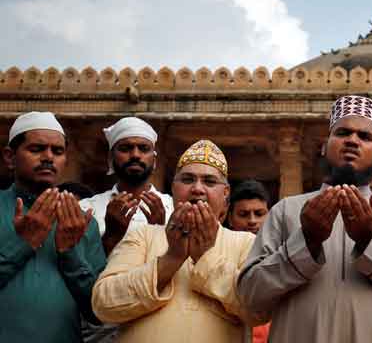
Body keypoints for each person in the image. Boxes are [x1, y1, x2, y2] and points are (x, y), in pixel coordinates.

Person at [238, 95, 372, 343]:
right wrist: (306, 242)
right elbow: (249, 295)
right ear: (325, 146)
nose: (352, 140)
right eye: (343, 133)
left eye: (365, 136)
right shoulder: (287, 210)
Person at [92, 139, 263, 343]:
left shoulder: (246, 243)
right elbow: (103, 304)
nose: (197, 189)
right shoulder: (143, 235)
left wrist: (205, 258)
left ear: (225, 194)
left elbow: (258, 310)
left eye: (209, 182)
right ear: (173, 188)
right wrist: (171, 258)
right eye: (188, 180)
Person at [0, 111, 106, 342]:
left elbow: (99, 312)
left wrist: (70, 253)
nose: (48, 157)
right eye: (36, 149)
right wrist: (22, 244)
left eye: (57, 151)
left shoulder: (81, 222)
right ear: (10, 157)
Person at [80, 117, 174, 256]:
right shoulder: (87, 208)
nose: (135, 155)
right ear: (110, 158)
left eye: (143, 149)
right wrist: (110, 238)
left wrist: (159, 232)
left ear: (154, 161)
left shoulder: (174, 208)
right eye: (125, 148)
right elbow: (78, 267)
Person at [224, 179, 272, 343]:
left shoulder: (282, 255)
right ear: (230, 218)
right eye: (243, 214)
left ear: (270, 216)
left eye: (259, 214)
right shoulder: (217, 254)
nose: (252, 221)